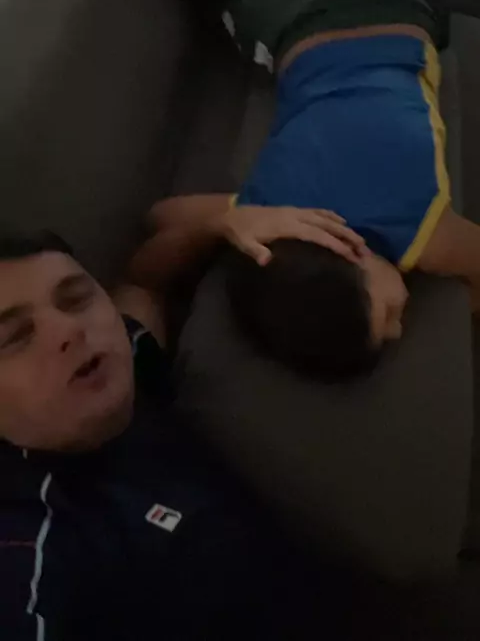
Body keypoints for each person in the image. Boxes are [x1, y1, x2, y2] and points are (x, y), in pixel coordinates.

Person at [130, 0, 480, 380]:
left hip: (397, 14)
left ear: (354, 252)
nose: (401, 328)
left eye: (387, 314)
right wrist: (228, 221)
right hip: (303, 28)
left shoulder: (420, 230)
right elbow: (160, 217)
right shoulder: (269, 211)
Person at [0, 226, 361, 640]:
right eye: (14, 338)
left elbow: (144, 282)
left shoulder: (127, 364)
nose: (69, 329)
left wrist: (230, 221)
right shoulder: (27, 548)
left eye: (76, 298)